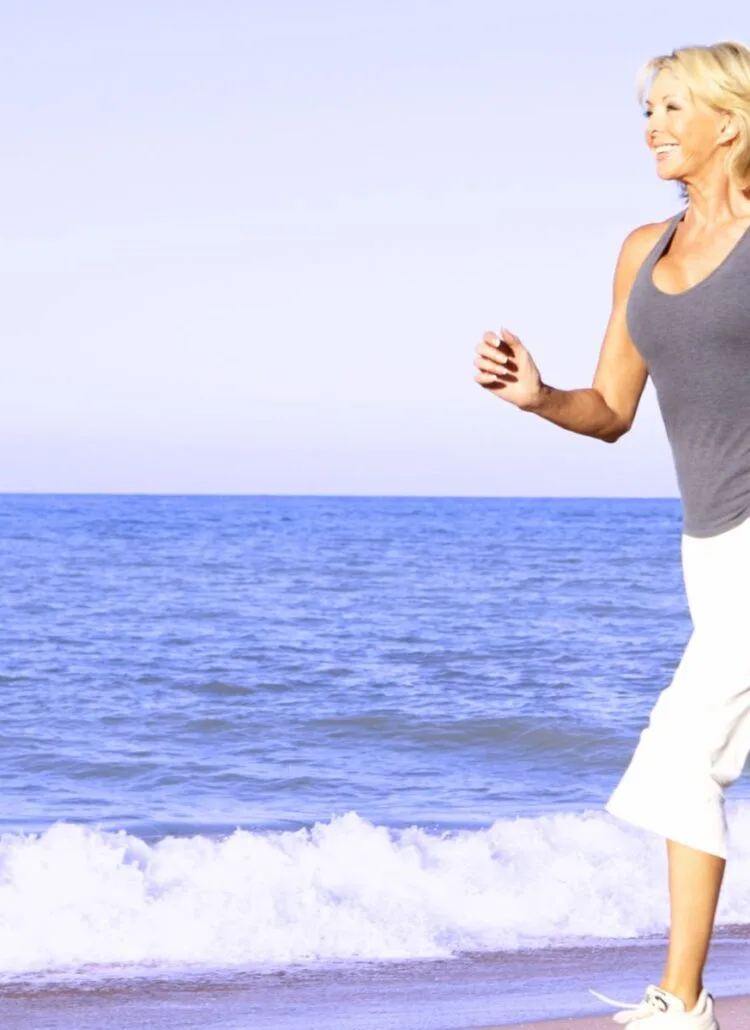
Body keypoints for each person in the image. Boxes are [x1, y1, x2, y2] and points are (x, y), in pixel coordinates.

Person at [473, 40, 750, 1028]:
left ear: (731, 116)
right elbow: (612, 408)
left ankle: (681, 1003)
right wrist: (540, 396)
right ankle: (682, 996)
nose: (654, 128)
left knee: (684, 755)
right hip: (710, 541)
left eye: (675, 108)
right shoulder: (645, 248)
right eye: (647, 111)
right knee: (700, 761)